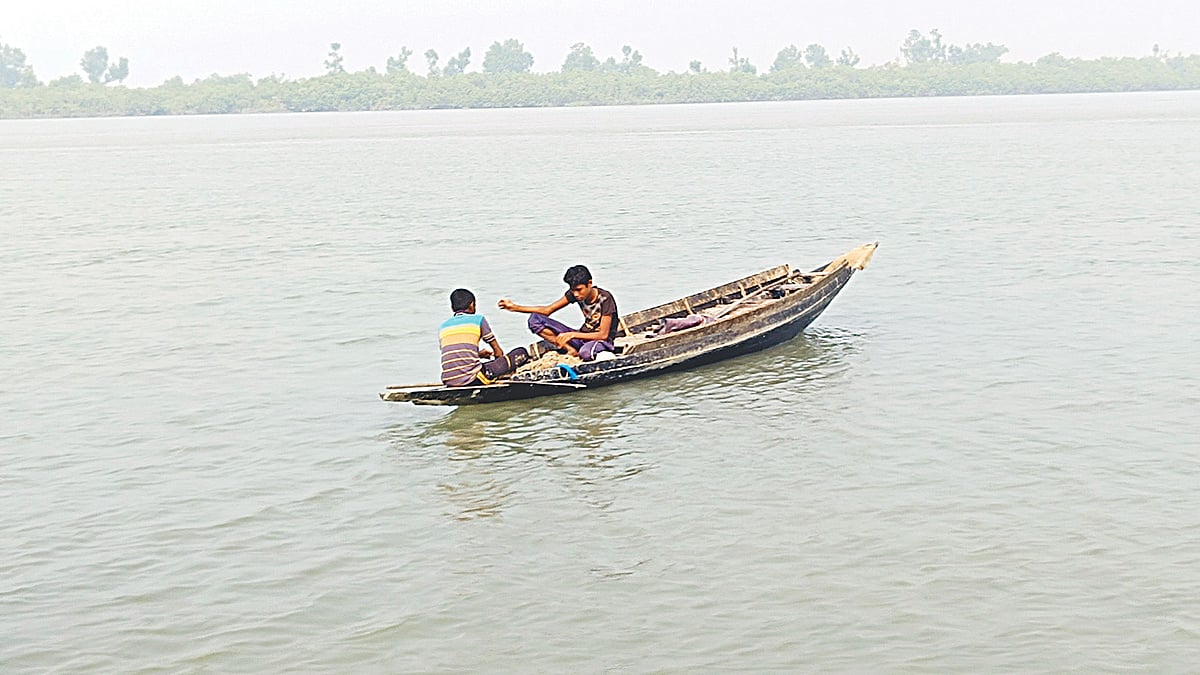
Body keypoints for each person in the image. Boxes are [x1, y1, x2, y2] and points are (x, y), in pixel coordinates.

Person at [497, 265, 619, 361]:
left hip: (602, 342)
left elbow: (603, 335)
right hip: (582, 336)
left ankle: (580, 350)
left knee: (585, 353)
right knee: (535, 319)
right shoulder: (574, 295)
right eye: (573, 290)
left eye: (579, 290)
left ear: (589, 284)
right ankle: (571, 350)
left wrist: (572, 335)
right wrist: (514, 307)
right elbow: (547, 310)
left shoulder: (605, 298)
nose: (576, 294)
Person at [439, 288, 529, 386]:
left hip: (449, 380)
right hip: (472, 379)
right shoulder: (478, 320)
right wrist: (500, 364)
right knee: (521, 352)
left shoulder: (444, 327)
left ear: (452, 307)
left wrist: (478, 354)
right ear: (472, 305)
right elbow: (498, 352)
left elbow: (455, 352)